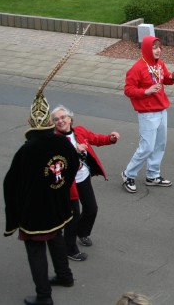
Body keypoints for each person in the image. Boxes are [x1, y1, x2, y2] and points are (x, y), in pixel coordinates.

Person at [4, 92, 79, 305]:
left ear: (30, 121)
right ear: (48, 121)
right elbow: (72, 166)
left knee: (35, 250)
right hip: (58, 206)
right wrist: (59, 189)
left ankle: (44, 296)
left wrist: (14, 215)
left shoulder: (26, 151)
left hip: (35, 213)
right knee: (56, 238)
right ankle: (65, 276)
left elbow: (11, 185)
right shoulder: (63, 143)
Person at [51, 105, 120, 261]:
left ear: (70, 119)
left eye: (63, 117)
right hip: (67, 184)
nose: (60, 121)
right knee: (73, 216)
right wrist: (73, 151)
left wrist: (110, 139)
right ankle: (70, 249)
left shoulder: (80, 131)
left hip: (82, 177)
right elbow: (55, 161)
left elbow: (95, 138)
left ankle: (81, 232)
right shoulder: (54, 140)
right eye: (56, 119)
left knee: (91, 209)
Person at [121, 36, 174, 194]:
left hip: (161, 110)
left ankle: (153, 175)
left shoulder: (159, 64)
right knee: (146, 147)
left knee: (160, 145)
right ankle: (128, 174)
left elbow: (165, 78)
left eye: (159, 47)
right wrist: (146, 91)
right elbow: (128, 89)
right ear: (147, 49)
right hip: (147, 113)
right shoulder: (137, 68)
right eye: (154, 48)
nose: (158, 50)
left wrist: (172, 78)